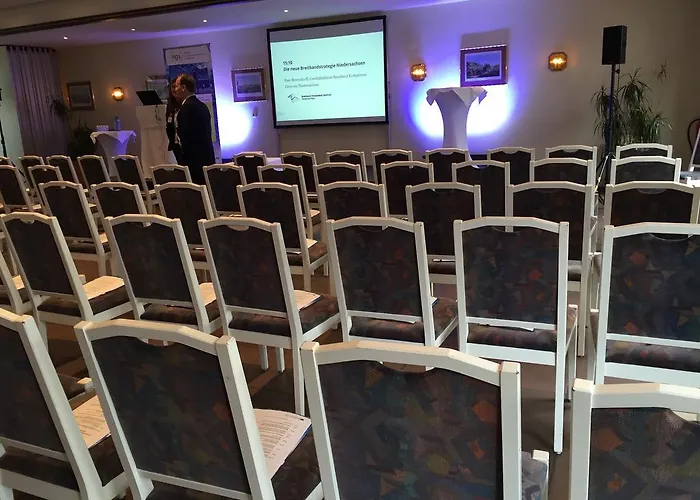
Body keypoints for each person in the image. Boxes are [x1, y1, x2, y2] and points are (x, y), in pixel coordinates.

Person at [172, 73, 215, 185]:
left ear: (184, 88)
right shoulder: (202, 106)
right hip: (206, 157)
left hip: (193, 161)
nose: (175, 90)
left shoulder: (186, 109)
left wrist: (181, 157)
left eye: (177, 86)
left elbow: (185, 137)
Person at [165, 81, 183, 165]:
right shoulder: (170, 105)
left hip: (184, 143)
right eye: (172, 87)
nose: (174, 89)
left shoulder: (186, 104)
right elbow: (169, 123)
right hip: (175, 143)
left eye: (176, 87)